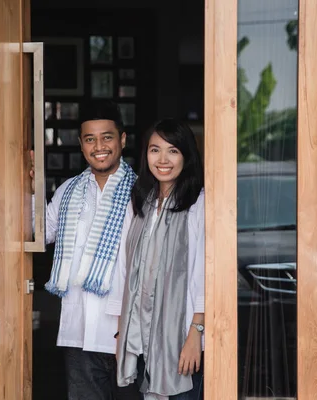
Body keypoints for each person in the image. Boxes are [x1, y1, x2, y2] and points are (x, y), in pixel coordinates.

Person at [30, 100, 140, 400]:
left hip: (129, 335)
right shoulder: (68, 191)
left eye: (107, 137)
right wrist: (27, 184)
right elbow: (40, 233)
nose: (99, 146)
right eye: (90, 139)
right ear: (81, 144)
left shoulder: (143, 194)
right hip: (79, 335)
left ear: (123, 139)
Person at [115, 118, 205, 400]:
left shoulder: (198, 203)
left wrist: (196, 334)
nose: (163, 159)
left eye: (173, 151)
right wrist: (123, 328)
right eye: (155, 150)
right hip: (142, 336)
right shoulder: (142, 201)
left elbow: (202, 273)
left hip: (182, 338)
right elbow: (125, 268)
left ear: (186, 156)